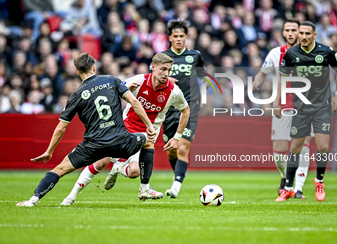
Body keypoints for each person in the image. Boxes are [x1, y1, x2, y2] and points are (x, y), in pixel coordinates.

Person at [16, 52, 156, 207]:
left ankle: (32, 200)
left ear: (77, 71)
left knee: (60, 169)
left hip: (93, 146)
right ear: (94, 67)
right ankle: (144, 188)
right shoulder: (112, 80)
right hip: (120, 141)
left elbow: (61, 127)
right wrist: (149, 125)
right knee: (148, 141)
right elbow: (134, 102)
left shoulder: (75, 95)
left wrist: (49, 151)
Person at [60, 53, 190, 205]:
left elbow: (186, 110)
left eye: (169, 70)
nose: (166, 73)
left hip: (147, 134)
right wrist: (126, 88)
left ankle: (123, 173)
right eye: (163, 69)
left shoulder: (173, 91)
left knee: (134, 172)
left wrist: (177, 137)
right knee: (101, 162)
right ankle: (70, 197)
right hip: (124, 129)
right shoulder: (139, 81)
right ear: (153, 68)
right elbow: (111, 92)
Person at [274, 21, 337, 202]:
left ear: (314, 35)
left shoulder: (326, 52)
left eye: (307, 34)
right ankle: (288, 188)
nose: (303, 36)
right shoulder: (291, 54)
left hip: (322, 107)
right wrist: (277, 102)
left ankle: (319, 181)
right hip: (301, 108)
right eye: (301, 33)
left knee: (323, 146)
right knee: (295, 147)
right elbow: (283, 78)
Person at [253, 18, 312, 199]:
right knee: (278, 150)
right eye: (288, 30)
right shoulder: (275, 54)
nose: (291, 33)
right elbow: (262, 73)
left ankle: (298, 188)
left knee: (303, 146)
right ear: (284, 33)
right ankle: (286, 176)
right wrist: (256, 82)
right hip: (282, 105)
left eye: (295, 30)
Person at [161, 20, 207, 198]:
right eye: (176, 36)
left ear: (186, 37)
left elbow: (203, 77)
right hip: (168, 109)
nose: (179, 39)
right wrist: (165, 80)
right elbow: (152, 79)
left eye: (182, 36)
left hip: (189, 107)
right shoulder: (162, 57)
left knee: (182, 148)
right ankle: (179, 174)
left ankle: (176, 186)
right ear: (170, 38)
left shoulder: (195, 55)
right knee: (171, 149)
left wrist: (202, 92)